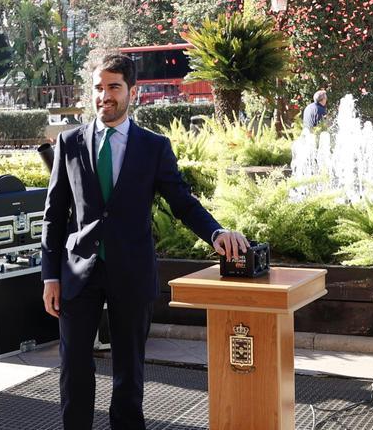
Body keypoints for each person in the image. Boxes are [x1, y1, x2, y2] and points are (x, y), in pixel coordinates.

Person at [41, 54, 250, 430]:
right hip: (76, 272)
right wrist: (49, 277)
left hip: (132, 270)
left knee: (129, 370)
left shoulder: (154, 147)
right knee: (74, 368)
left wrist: (217, 233)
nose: (104, 95)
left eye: (113, 87)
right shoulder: (69, 143)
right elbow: (54, 215)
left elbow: (183, 203)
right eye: (98, 88)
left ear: (131, 92)